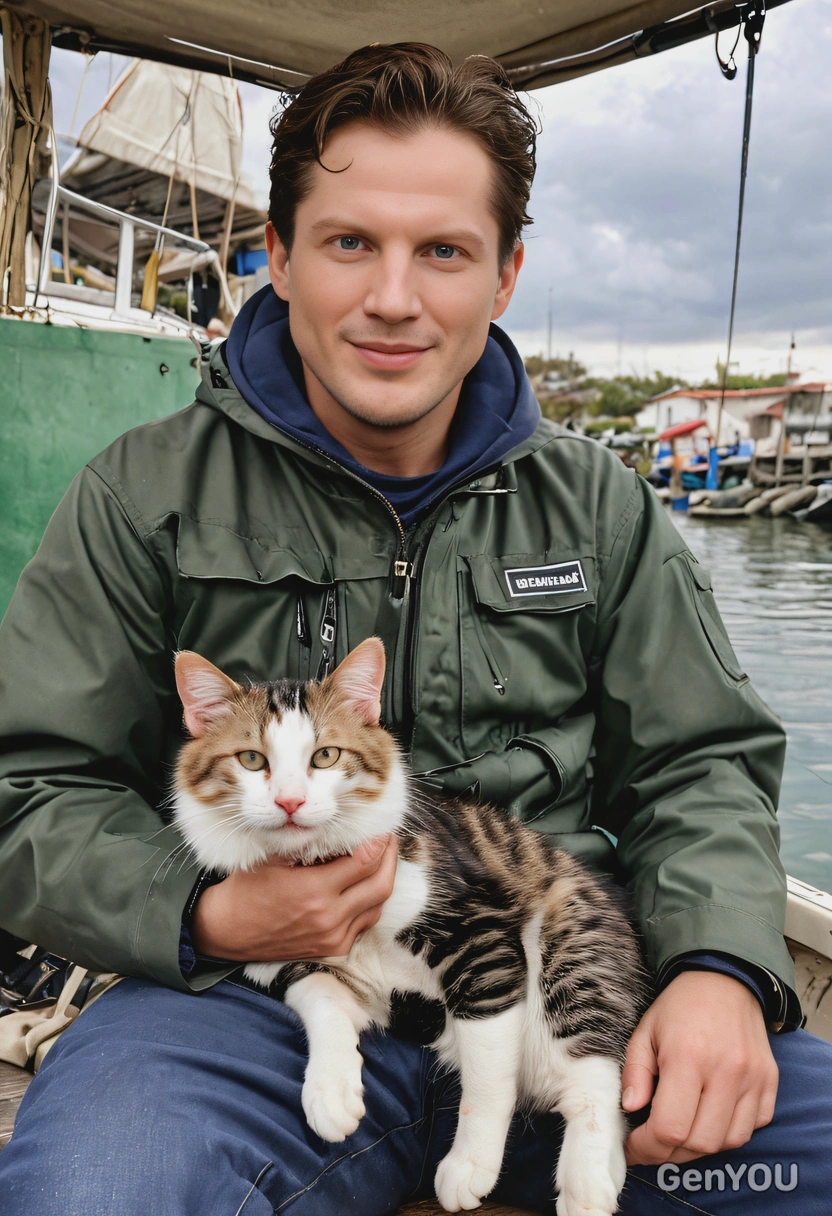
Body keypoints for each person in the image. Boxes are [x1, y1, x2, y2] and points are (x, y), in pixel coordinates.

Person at [0, 42, 829, 1216]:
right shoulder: (143, 495)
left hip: (568, 983)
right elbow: (30, 783)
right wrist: (202, 911)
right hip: (255, 1001)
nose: (394, 297)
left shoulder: (602, 504)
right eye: (349, 243)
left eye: (442, 250)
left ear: (504, 276)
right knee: (95, 1189)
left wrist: (721, 966)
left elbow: (702, 765)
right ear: (279, 257)